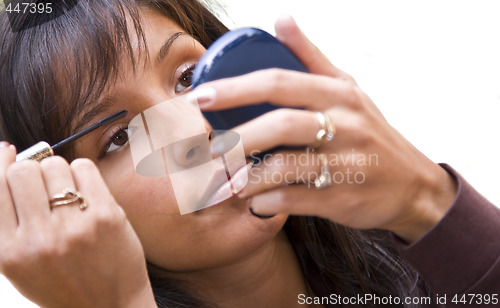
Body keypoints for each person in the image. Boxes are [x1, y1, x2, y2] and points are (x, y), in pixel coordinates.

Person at [0, 0, 498, 307]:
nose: (197, 127)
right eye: (121, 136)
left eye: (188, 77)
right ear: (56, 199)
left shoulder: (420, 261)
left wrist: (426, 201)